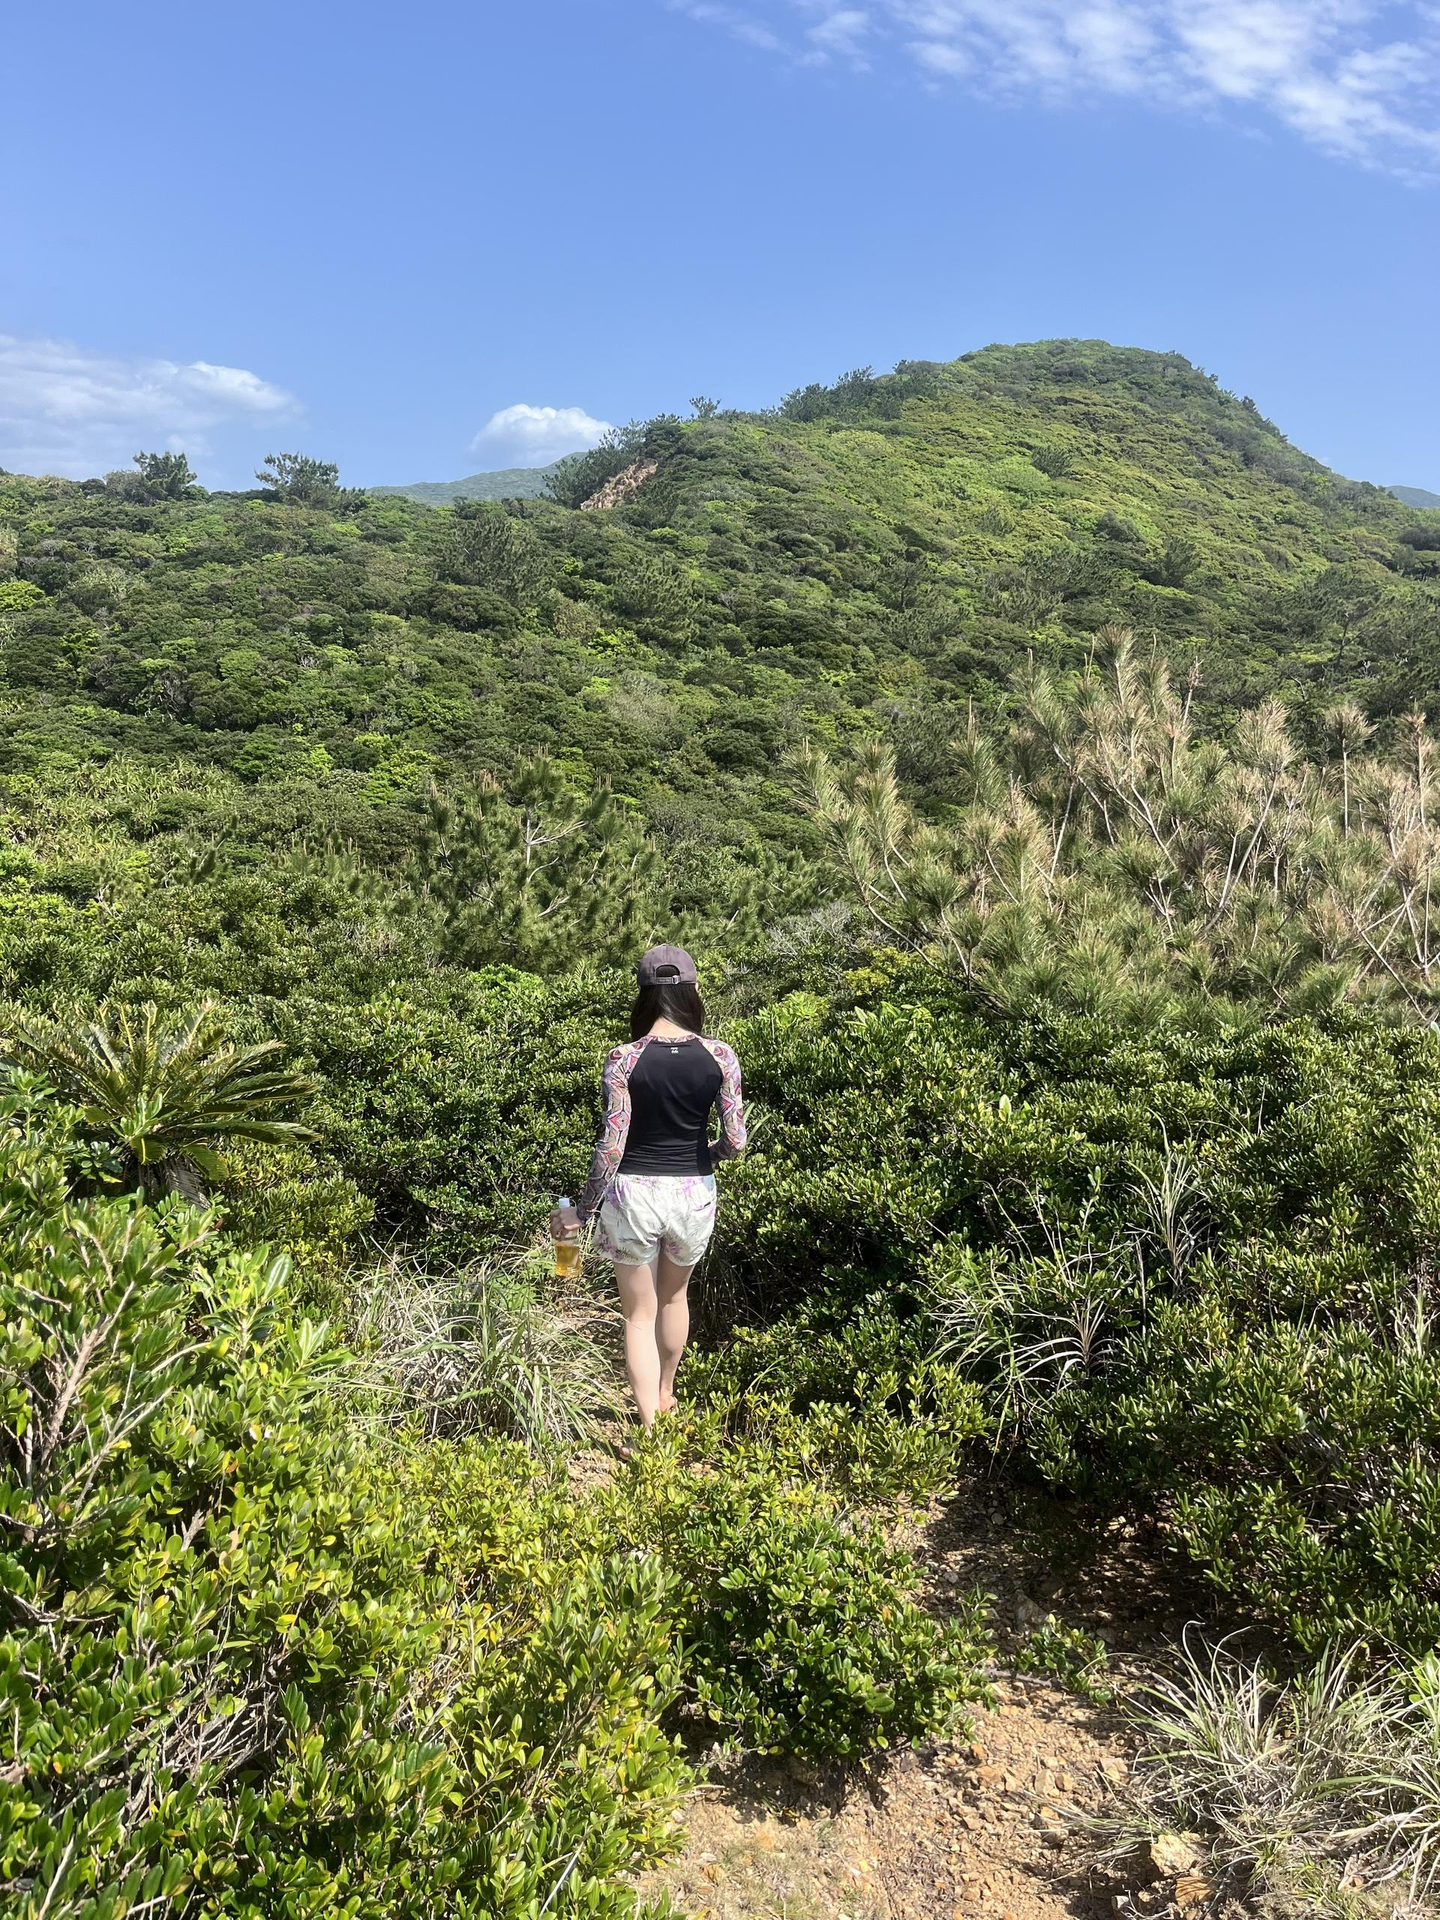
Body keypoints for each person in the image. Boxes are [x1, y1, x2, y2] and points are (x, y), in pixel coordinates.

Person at [551, 944, 746, 1433]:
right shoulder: (721, 1055)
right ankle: (665, 1395)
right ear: (692, 991)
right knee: (675, 1300)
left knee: (639, 1315)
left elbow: (612, 1146)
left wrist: (582, 1211)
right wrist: (704, 1158)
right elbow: (736, 1141)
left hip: (633, 1194)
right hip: (693, 1194)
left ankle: (650, 1432)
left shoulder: (624, 1058)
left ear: (643, 995)